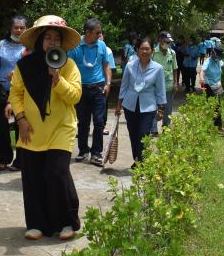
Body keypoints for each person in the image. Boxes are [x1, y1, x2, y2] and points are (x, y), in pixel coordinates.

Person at [9, 15, 83, 241]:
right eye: (48, 38)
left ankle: (66, 222)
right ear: (40, 40)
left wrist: (57, 79)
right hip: (32, 130)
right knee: (33, 177)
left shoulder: (69, 65)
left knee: (57, 173)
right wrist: (21, 119)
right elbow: (15, 94)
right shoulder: (24, 66)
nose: (52, 42)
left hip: (62, 128)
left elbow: (75, 96)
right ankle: (37, 224)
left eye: (56, 39)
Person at [115, 38, 166, 166]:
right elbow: (124, 86)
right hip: (130, 105)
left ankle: (141, 161)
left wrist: (161, 109)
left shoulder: (158, 68)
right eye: (142, 49)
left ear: (152, 51)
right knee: (133, 134)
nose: (144, 51)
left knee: (143, 134)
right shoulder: (130, 66)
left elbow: (160, 90)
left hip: (148, 106)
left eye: (147, 49)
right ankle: (137, 158)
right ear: (137, 51)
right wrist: (119, 105)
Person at [68, 18, 111, 166]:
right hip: (81, 89)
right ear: (87, 32)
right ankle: (83, 151)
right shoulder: (75, 46)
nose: (100, 35)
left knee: (99, 122)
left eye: (100, 32)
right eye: (97, 33)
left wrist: (108, 83)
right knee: (83, 122)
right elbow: (68, 67)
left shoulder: (102, 45)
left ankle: (96, 153)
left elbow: (106, 65)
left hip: (99, 88)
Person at [0, 15, 28, 170]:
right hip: (2, 91)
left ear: (27, 29)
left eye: (22, 27)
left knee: (21, 125)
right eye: (15, 27)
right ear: (10, 29)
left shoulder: (30, 46)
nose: (18, 30)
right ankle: (2, 158)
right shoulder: (2, 44)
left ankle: (21, 161)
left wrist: (18, 74)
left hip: (22, 92)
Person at [151, 31, 179, 135]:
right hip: (155, 86)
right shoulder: (153, 52)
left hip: (168, 86)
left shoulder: (172, 53)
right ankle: (153, 129)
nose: (167, 44)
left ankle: (166, 128)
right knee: (154, 107)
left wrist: (175, 83)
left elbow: (175, 68)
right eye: (166, 41)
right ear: (159, 40)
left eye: (169, 42)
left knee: (167, 109)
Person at [199, 45, 224, 134]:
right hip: (209, 87)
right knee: (211, 106)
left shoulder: (218, 60)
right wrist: (201, 78)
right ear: (213, 53)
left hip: (217, 86)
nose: (219, 57)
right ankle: (209, 127)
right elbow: (202, 71)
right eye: (218, 55)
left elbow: (223, 63)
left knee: (218, 106)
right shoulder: (208, 61)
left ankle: (218, 126)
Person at [99, 32, 116, 135]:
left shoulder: (107, 50)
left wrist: (108, 83)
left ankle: (102, 126)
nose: (99, 37)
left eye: (100, 35)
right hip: (88, 82)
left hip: (103, 82)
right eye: (97, 34)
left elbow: (111, 68)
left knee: (103, 105)